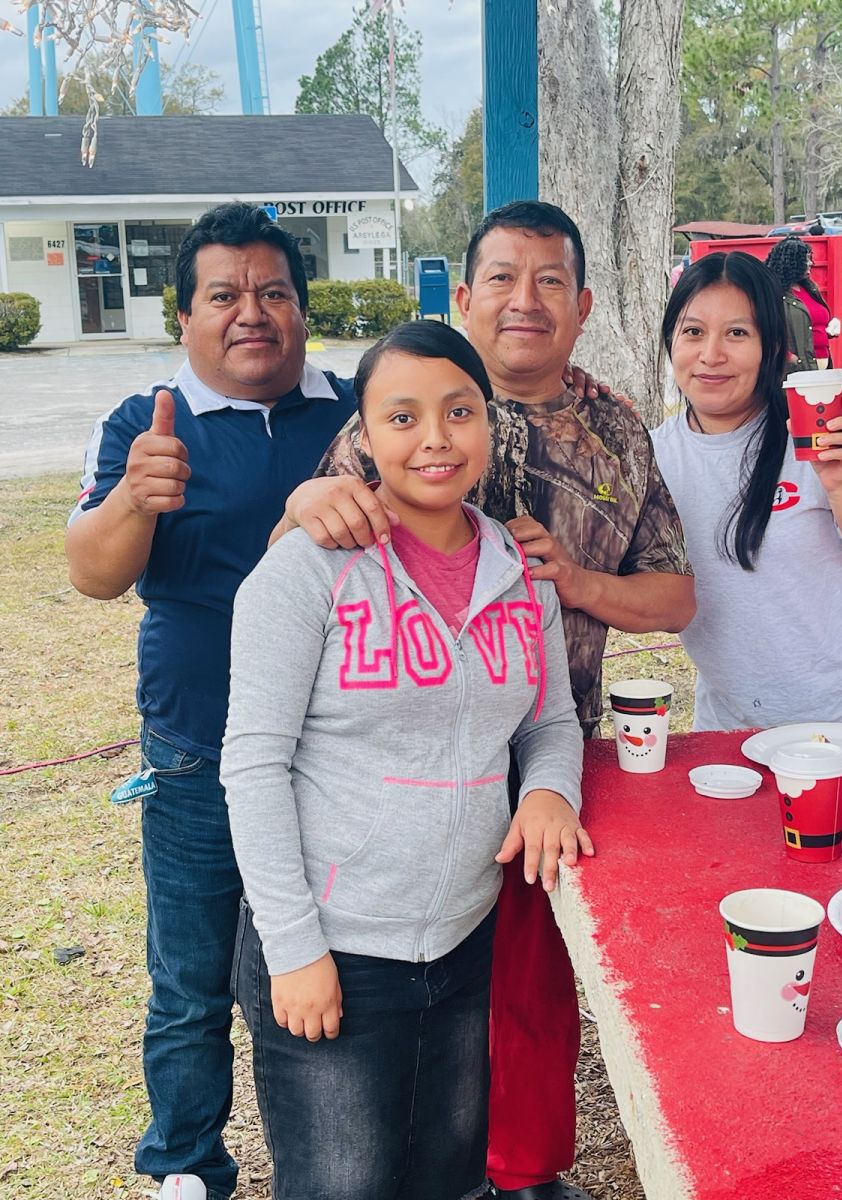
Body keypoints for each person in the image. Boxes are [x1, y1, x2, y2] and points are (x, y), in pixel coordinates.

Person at [274, 200, 696, 1200]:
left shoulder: (615, 429)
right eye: (502, 277)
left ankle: (528, 1168)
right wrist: (301, 507)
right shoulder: (395, 416)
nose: (526, 299)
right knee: (426, 999)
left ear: (585, 305)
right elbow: (301, 565)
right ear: (464, 297)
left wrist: (581, 585)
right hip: (396, 774)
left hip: (550, 757)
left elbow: (675, 592)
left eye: (551, 280)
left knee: (529, 990)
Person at [220, 320, 587, 1200]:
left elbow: (551, 722)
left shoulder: (515, 564)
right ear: (364, 435)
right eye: (402, 416)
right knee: (342, 1186)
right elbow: (253, 767)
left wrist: (546, 792)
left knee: (451, 1179)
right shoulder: (308, 570)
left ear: (488, 425)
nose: (434, 439)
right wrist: (295, 950)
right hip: (337, 951)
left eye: (459, 412)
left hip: (467, 940)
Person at [64, 202, 358, 1200]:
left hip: (334, 753)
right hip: (196, 749)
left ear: (304, 313)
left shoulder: (353, 412)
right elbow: (94, 575)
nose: (252, 313)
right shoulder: (145, 423)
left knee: (317, 970)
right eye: (223, 295)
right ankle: (186, 1162)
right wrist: (131, 500)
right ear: (183, 316)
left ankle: (325, 1155)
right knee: (189, 987)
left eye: (274, 292)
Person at [652, 250, 842, 732]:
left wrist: (841, 486)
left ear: (772, 345)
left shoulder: (822, 431)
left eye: (737, 333)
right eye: (693, 331)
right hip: (733, 730)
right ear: (671, 342)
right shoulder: (651, 458)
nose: (711, 355)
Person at [765, 236, 839, 371]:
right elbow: (764, 333)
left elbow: (808, 325)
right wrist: (789, 357)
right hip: (795, 370)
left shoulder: (810, 288)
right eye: (806, 259)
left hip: (822, 363)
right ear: (791, 263)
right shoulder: (772, 294)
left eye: (810, 258)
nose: (811, 263)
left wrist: (829, 329)